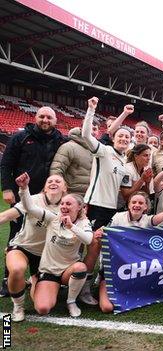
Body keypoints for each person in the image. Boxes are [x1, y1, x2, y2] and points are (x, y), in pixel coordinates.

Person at [0, 105, 66, 296]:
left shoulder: (60, 140)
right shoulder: (21, 137)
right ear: (35, 118)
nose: (45, 120)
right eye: (42, 116)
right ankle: (9, 277)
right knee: (18, 233)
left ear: (55, 121)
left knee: (47, 235)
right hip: (24, 195)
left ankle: (41, 275)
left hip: (50, 198)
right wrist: (7, 188)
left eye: (49, 118)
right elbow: (6, 164)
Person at [16, 172, 97, 318]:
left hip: (68, 271)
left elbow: (88, 240)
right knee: (43, 309)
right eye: (63, 203)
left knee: (80, 267)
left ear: (79, 207)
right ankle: (36, 281)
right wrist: (24, 188)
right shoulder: (53, 218)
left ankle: (71, 301)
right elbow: (31, 208)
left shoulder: (83, 223)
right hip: (49, 271)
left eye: (69, 203)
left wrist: (71, 226)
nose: (64, 206)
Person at [80, 97, 134, 305]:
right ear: (113, 138)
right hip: (96, 206)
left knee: (104, 248)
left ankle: (95, 281)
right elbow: (86, 134)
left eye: (126, 138)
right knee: (92, 248)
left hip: (112, 209)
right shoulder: (104, 151)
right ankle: (82, 289)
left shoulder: (124, 163)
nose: (123, 139)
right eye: (120, 136)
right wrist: (91, 110)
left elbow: (126, 191)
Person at [0, 174, 66, 321]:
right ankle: (18, 306)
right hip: (22, 247)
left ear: (65, 188)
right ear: (44, 187)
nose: (53, 183)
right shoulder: (33, 199)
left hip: (46, 257)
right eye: (49, 181)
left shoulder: (67, 205)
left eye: (58, 181)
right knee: (17, 269)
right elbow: (6, 216)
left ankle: (34, 279)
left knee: (42, 307)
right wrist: (24, 188)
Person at [98, 187, 163, 313]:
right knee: (107, 308)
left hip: (136, 267)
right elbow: (105, 234)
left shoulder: (147, 220)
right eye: (134, 202)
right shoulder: (118, 217)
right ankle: (102, 282)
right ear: (128, 205)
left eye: (140, 203)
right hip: (115, 266)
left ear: (145, 207)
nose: (136, 205)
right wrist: (100, 233)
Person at [50, 126, 96, 197]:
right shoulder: (68, 147)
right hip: (70, 195)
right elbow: (56, 170)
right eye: (91, 128)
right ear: (82, 128)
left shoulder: (95, 150)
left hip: (88, 197)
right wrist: (61, 192)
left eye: (95, 129)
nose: (93, 132)